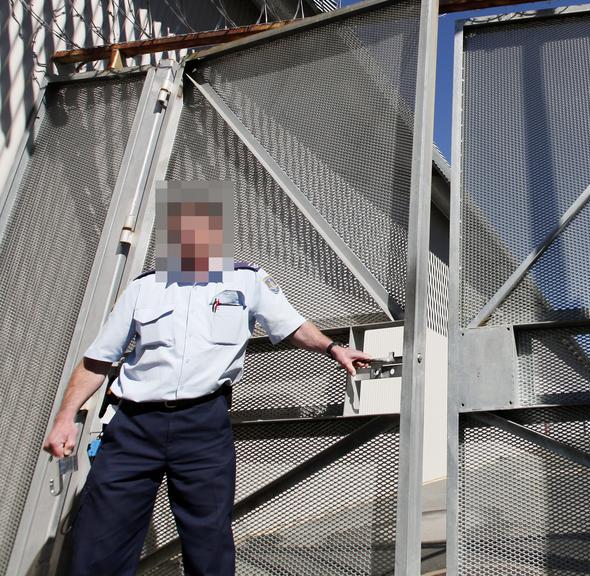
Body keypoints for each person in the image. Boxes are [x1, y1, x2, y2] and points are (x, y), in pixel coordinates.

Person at [42, 182, 372, 575]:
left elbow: (293, 325)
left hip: (203, 426)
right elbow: (98, 360)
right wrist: (65, 419)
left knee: (208, 544)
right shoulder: (144, 289)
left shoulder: (246, 281)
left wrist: (334, 349)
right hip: (133, 429)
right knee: (99, 543)